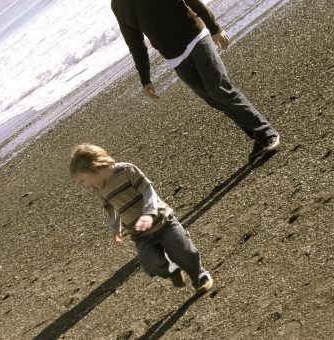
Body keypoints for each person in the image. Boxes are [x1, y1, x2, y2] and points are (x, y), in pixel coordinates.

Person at [111, 0, 280, 160]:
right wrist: (145, 79)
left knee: (219, 89)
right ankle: (257, 135)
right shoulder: (118, 5)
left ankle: (266, 132)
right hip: (175, 58)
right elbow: (135, 43)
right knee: (214, 100)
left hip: (196, 37)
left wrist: (214, 28)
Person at [70, 144, 214, 294]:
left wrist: (149, 212)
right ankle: (173, 270)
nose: (86, 185)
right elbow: (110, 209)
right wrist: (115, 228)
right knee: (151, 263)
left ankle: (200, 277)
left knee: (184, 252)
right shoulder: (100, 190)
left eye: (83, 180)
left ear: (93, 166)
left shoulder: (126, 170)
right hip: (140, 235)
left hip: (163, 222)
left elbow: (148, 190)